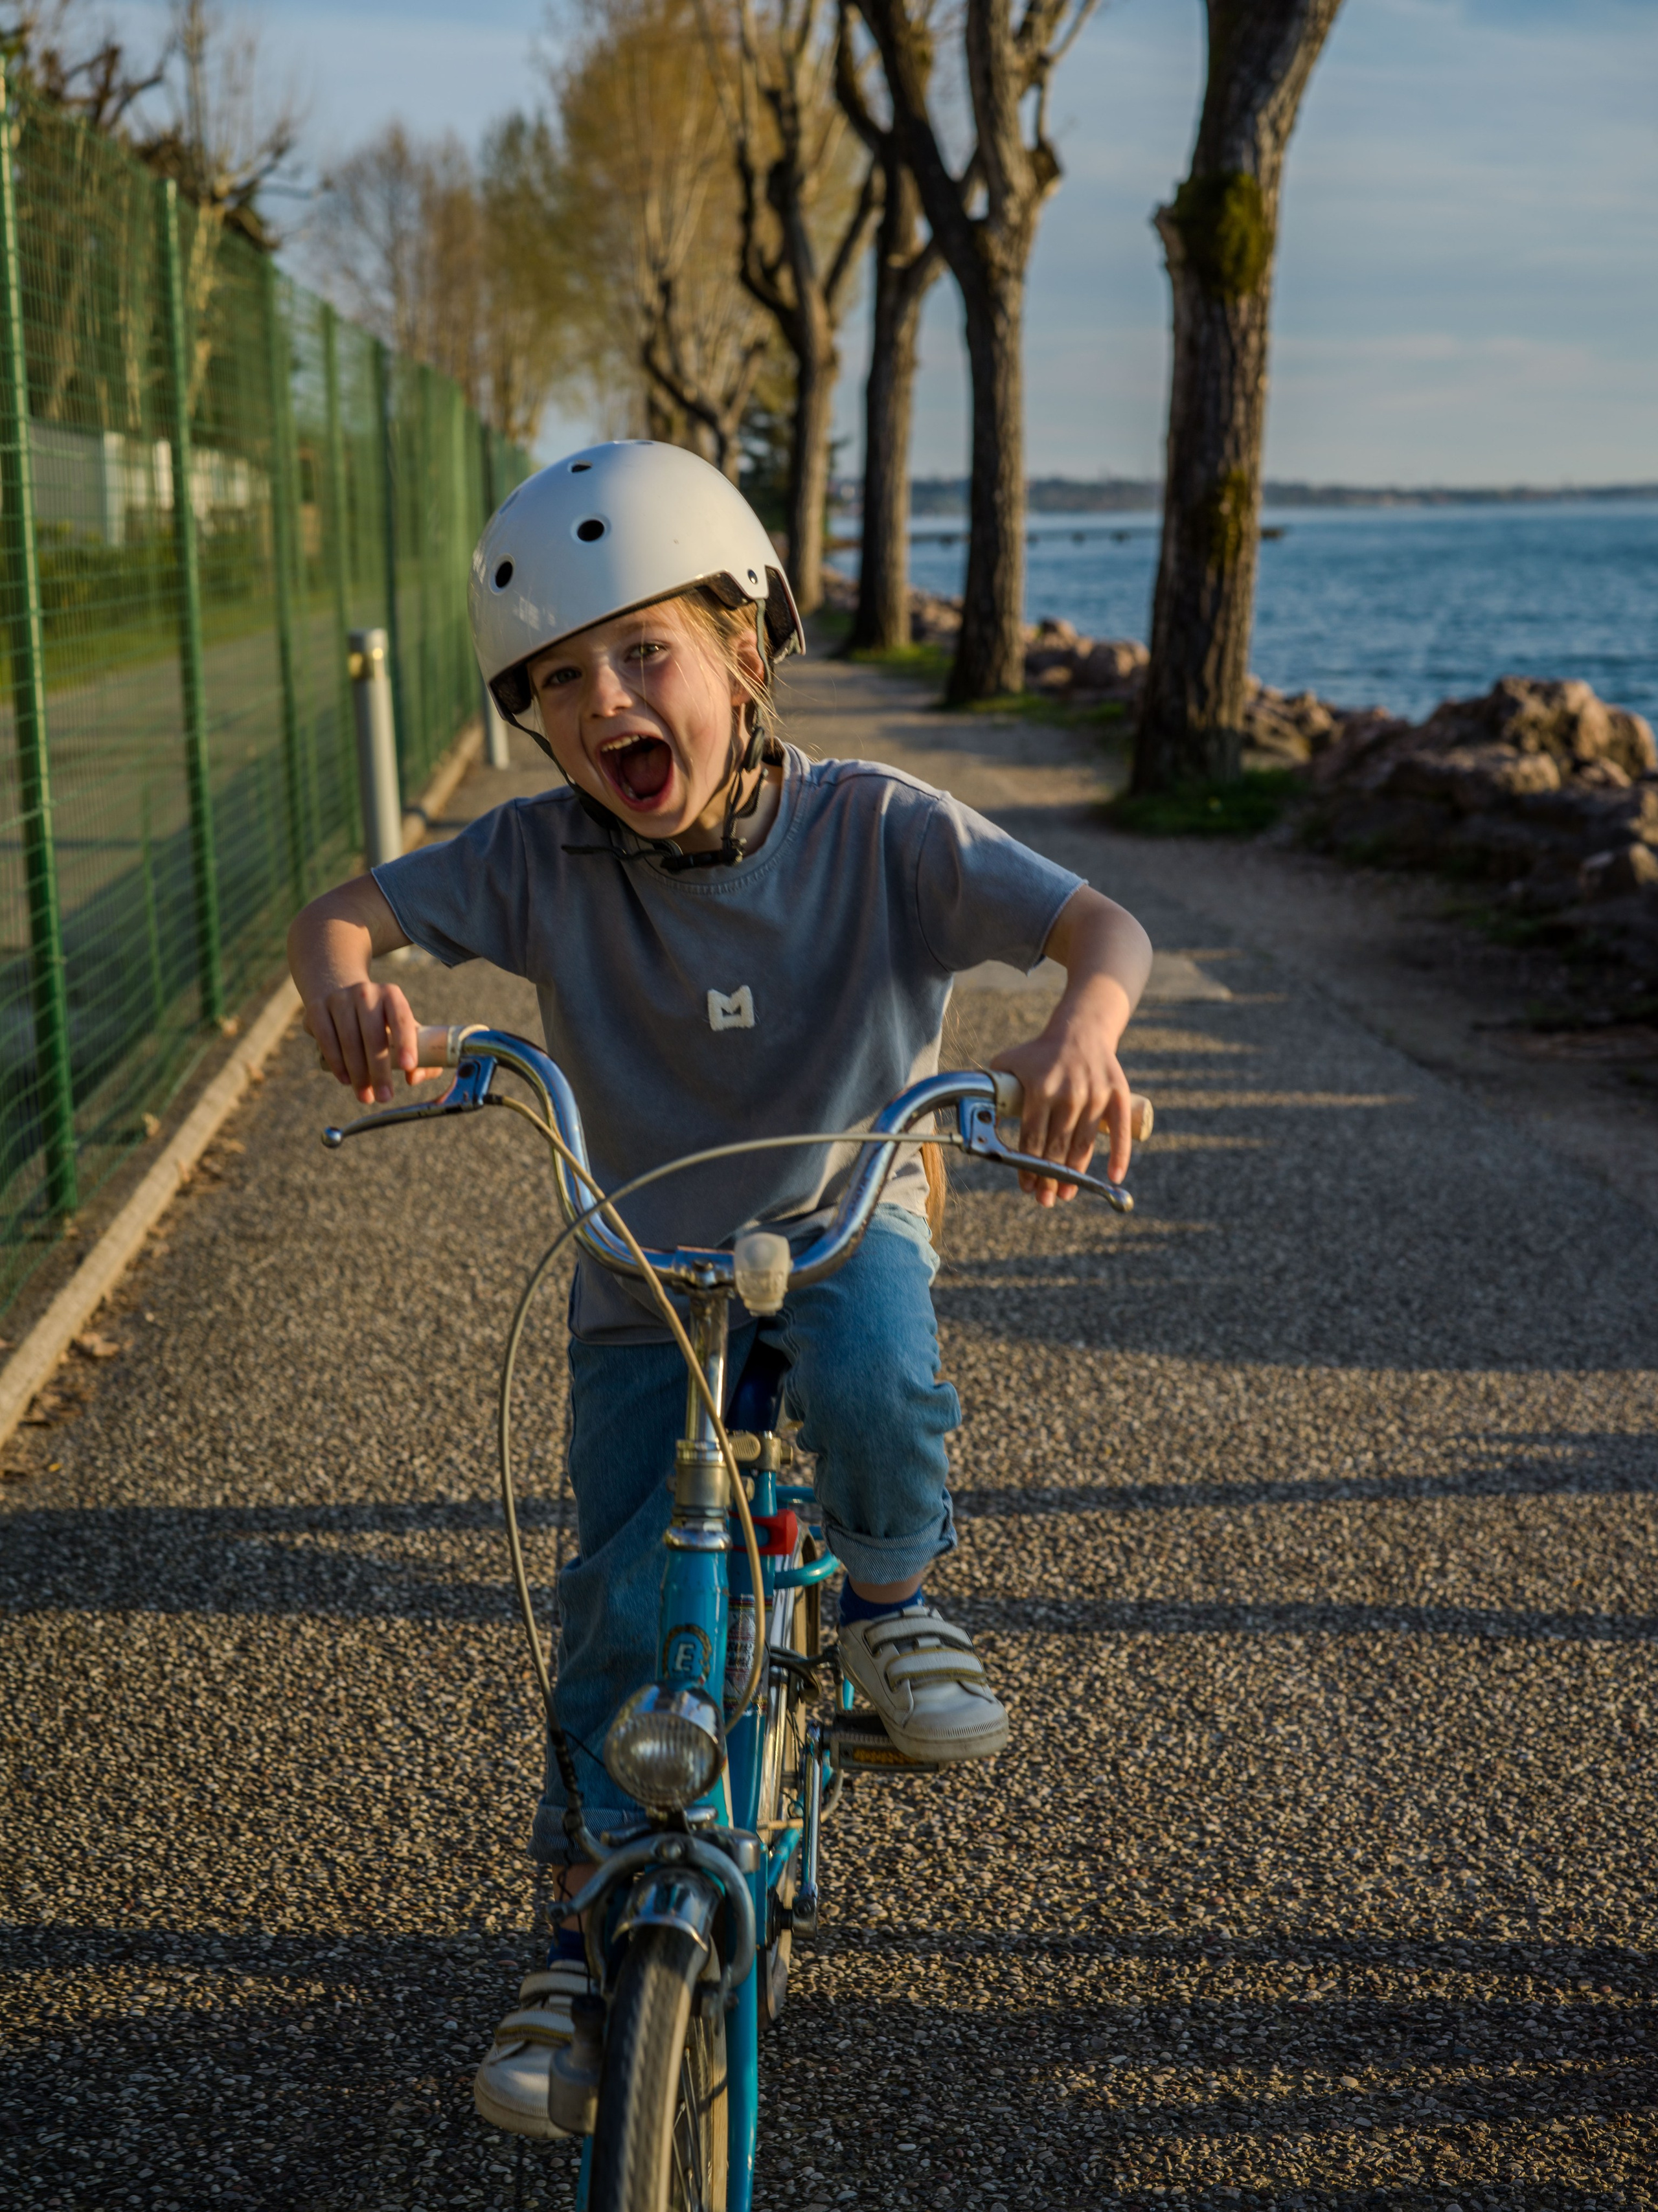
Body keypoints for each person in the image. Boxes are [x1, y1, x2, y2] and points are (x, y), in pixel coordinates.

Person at [286, 440, 1152, 2139]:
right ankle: (567, 1936)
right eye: (558, 681)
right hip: (643, 1260)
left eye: (643, 652)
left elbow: (1102, 927)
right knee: (618, 1592)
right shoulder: (540, 858)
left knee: (881, 1386)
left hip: (838, 1216)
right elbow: (345, 916)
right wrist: (355, 999)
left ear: (745, 652)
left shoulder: (879, 831)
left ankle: (894, 1605)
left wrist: (1079, 1033)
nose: (604, 700)